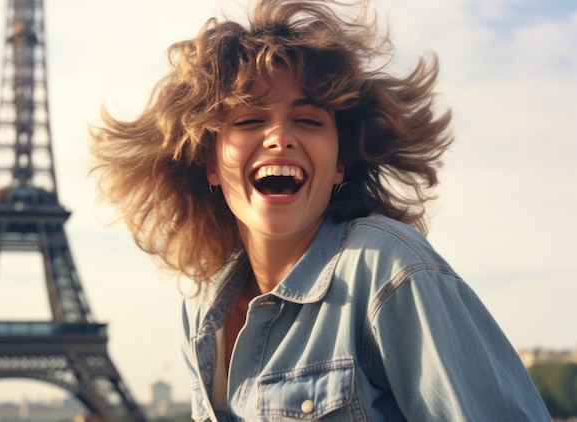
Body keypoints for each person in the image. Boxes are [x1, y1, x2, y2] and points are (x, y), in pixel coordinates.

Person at [90, 0, 551, 420]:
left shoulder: (387, 270)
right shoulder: (203, 306)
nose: (279, 136)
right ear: (210, 163)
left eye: (308, 120)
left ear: (339, 165)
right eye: (250, 119)